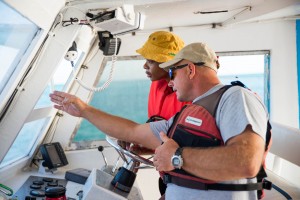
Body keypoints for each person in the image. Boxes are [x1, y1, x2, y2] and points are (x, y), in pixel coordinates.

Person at [50, 42, 269, 200]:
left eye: (172, 72)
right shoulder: (187, 113)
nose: (170, 82)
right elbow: (133, 131)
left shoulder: (235, 98)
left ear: (191, 69)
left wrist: (175, 158)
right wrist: (83, 109)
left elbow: (245, 162)